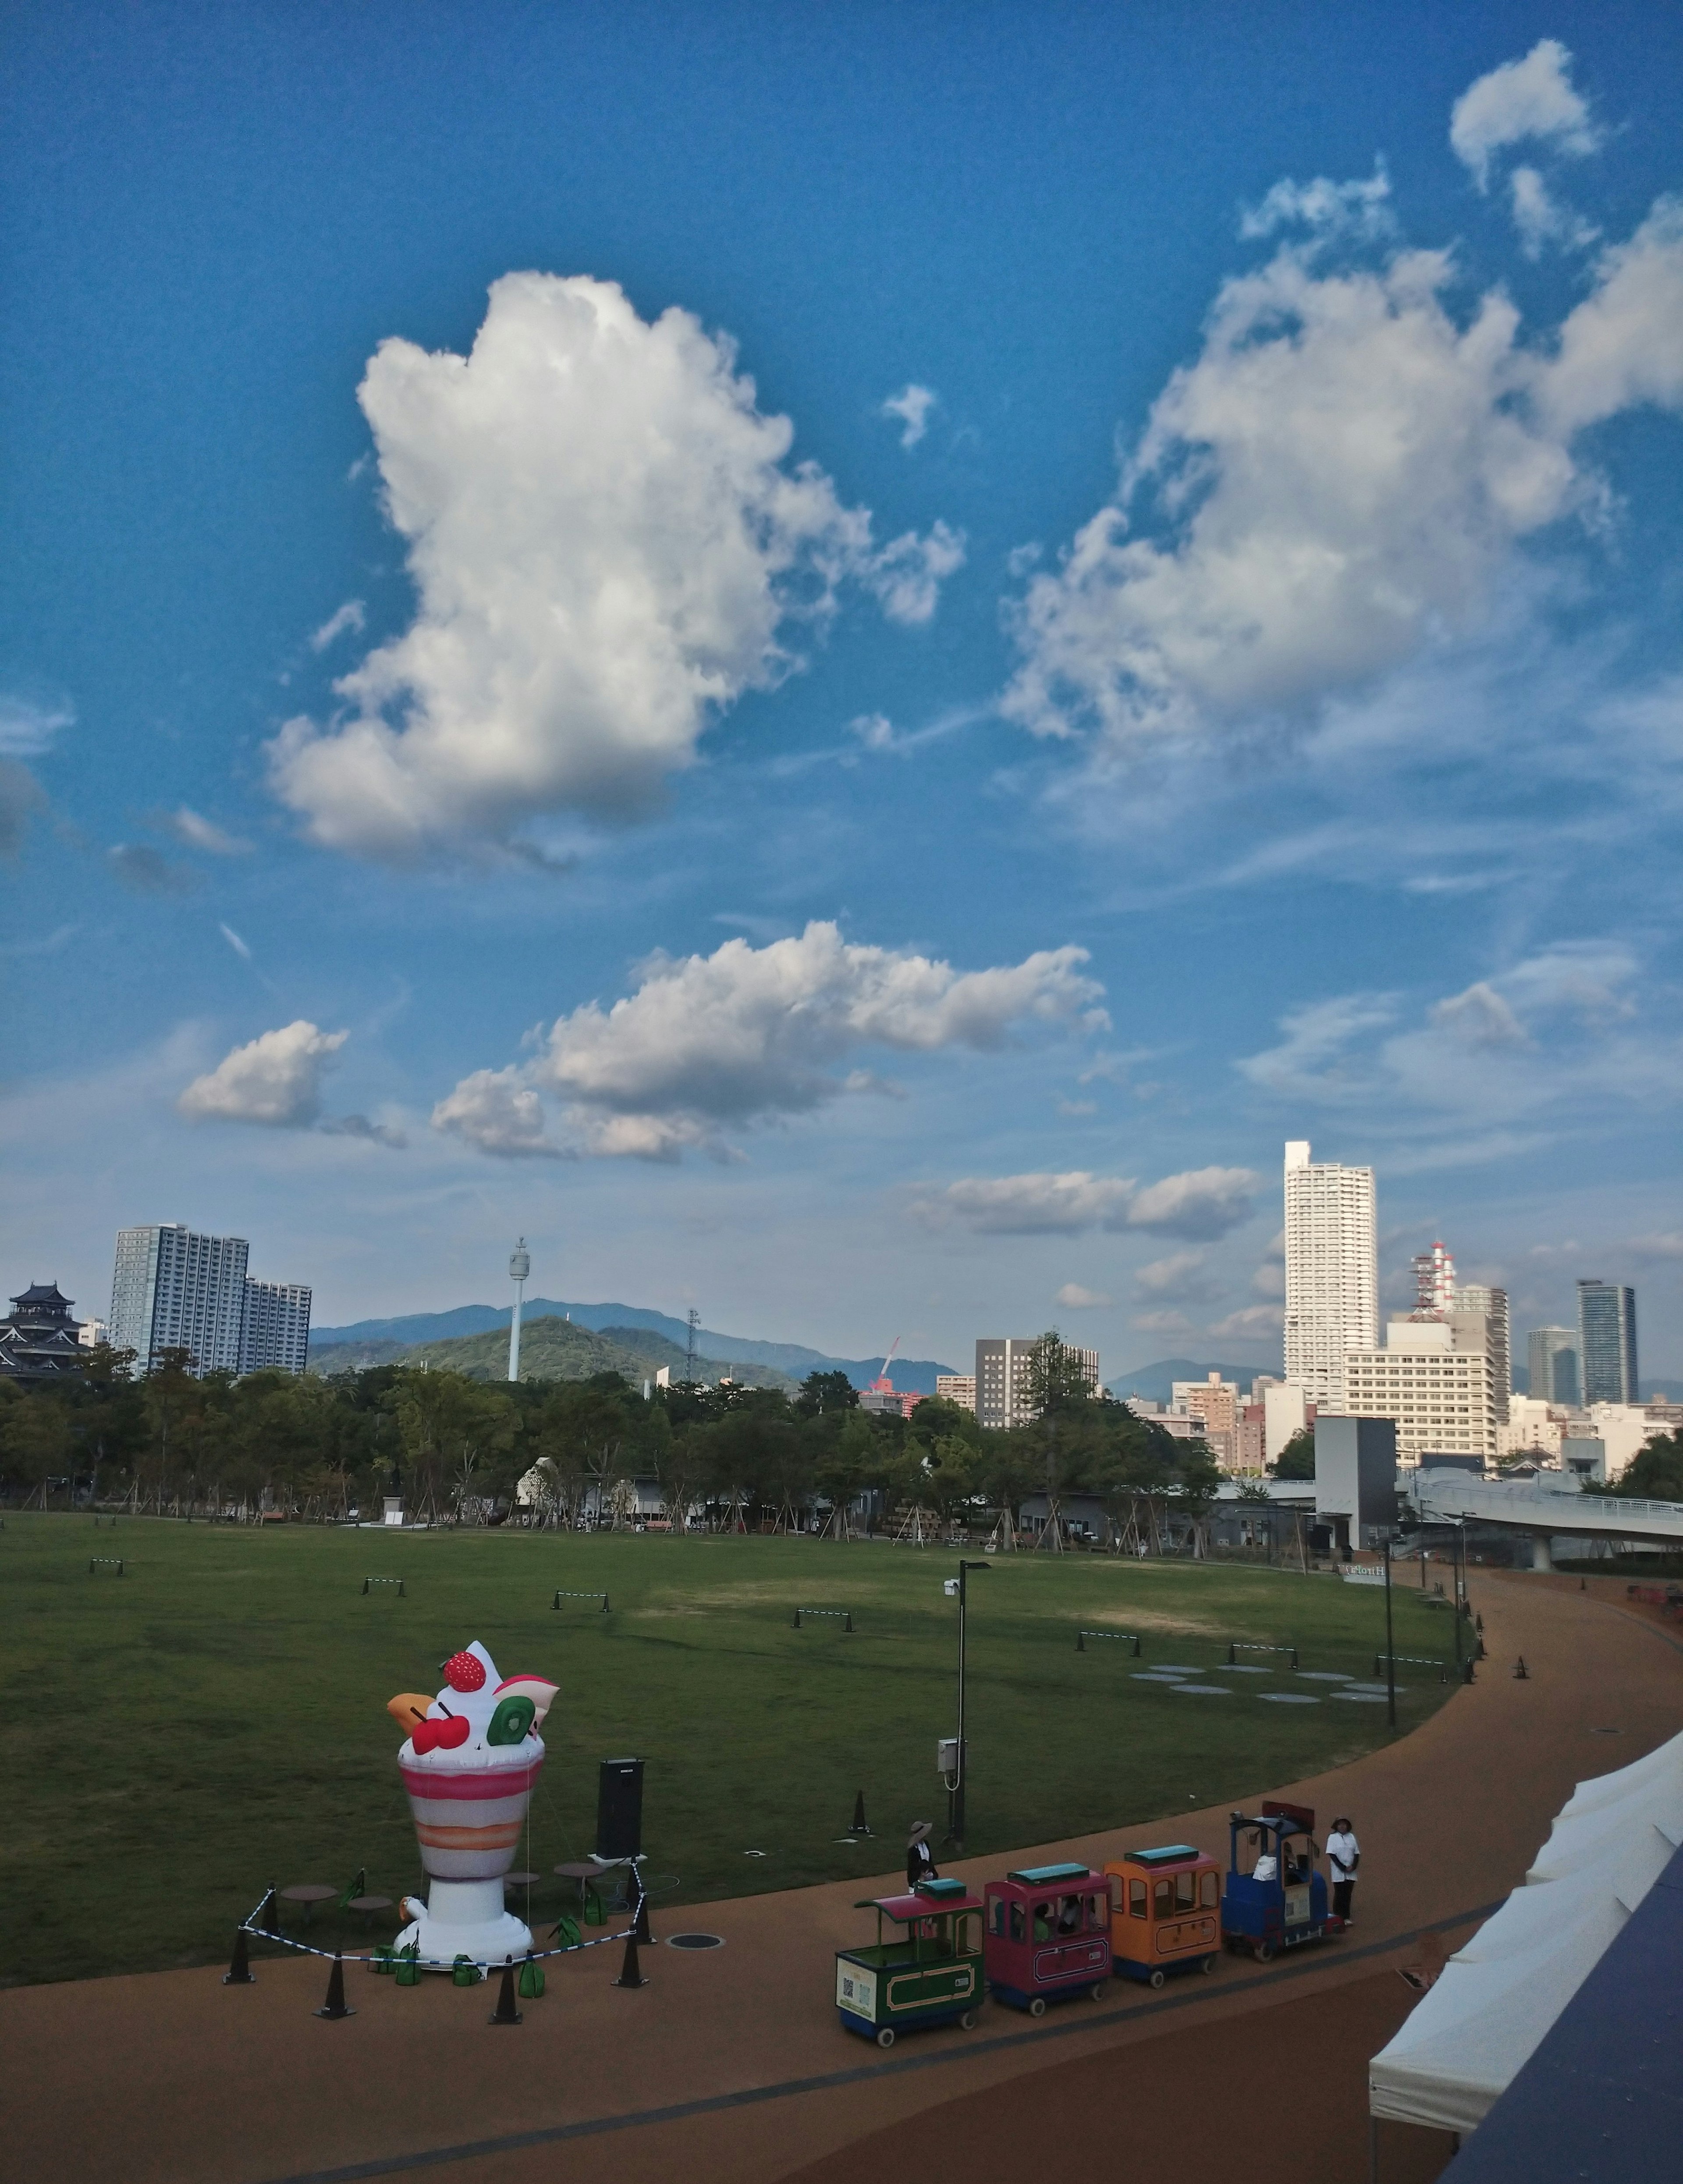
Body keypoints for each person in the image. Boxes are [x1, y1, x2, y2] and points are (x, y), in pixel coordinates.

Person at [1327, 1817, 1360, 1924]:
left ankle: (1346, 1917)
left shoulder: (1352, 1837)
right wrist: (1343, 1868)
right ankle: (1338, 1917)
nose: (1342, 1826)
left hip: (1351, 1872)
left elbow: (1356, 1853)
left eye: (1344, 1824)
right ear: (1336, 1826)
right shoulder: (1332, 1838)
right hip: (1339, 1872)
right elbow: (1332, 1854)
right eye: (1340, 1824)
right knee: (1339, 1894)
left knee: (1348, 1894)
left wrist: (1353, 1867)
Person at [906, 1820, 938, 1890]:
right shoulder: (913, 1850)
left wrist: (934, 1874)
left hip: (929, 1878)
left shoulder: (926, 1844)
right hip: (918, 1880)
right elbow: (911, 1867)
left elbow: (930, 1861)